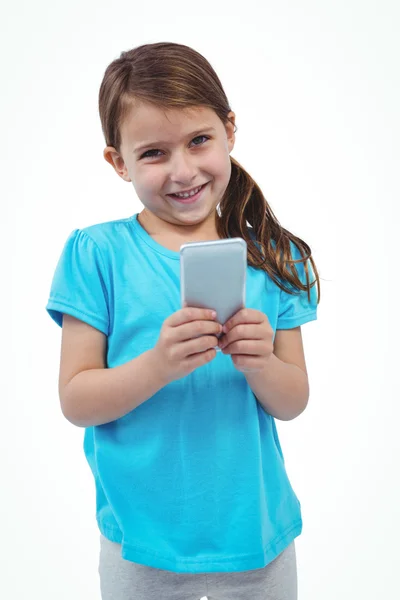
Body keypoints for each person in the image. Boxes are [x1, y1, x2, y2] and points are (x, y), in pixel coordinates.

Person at [46, 42, 321, 600]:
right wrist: (157, 365)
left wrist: (261, 363)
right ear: (118, 161)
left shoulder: (276, 257)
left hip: (257, 542)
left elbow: (293, 401)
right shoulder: (96, 254)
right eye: (153, 153)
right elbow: (76, 400)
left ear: (229, 130)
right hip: (139, 544)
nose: (183, 170)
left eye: (200, 140)